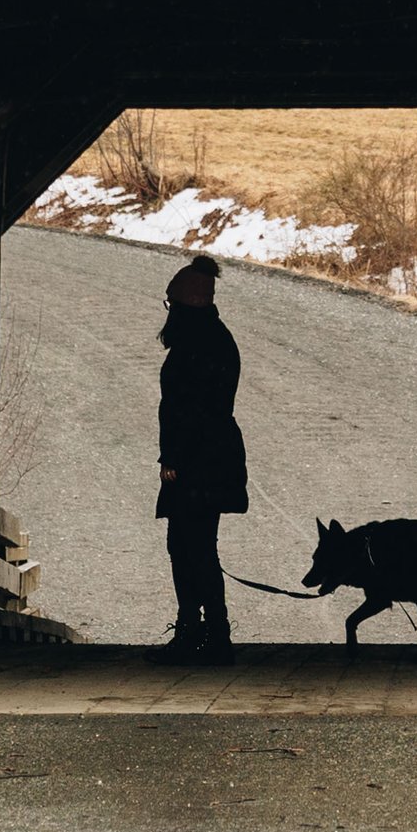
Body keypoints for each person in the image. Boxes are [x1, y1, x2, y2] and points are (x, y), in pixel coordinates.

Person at [157, 251, 248, 658]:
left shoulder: (197, 346)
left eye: (172, 304)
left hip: (197, 461)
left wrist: (172, 457)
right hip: (213, 456)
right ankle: (210, 631)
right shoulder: (216, 339)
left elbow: (190, 408)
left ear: (184, 305)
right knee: (194, 545)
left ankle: (199, 631)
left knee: (188, 545)